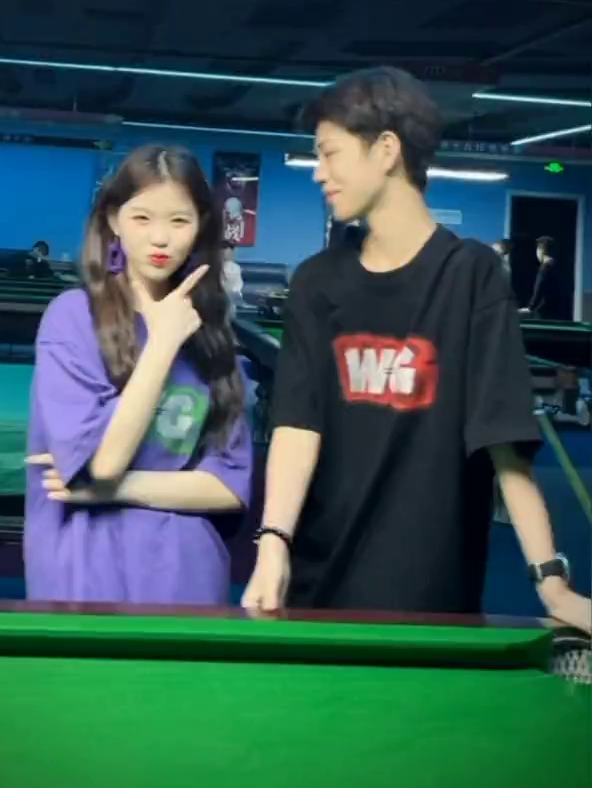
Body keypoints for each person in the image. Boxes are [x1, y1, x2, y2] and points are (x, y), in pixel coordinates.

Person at [242, 67, 590, 633]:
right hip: (317, 582)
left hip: (432, 589)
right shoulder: (316, 282)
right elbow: (298, 424)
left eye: (330, 154)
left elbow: (502, 439)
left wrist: (551, 582)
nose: (319, 172)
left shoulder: (471, 275)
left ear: (385, 150)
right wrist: (272, 544)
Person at [24, 145, 253, 605]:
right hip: (83, 575)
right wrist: (163, 343)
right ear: (114, 220)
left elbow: (227, 487)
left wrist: (108, 490)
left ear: (200, 226)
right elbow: (103, 463)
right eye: (142, 218)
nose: (160, 238)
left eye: (179, 220)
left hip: (188, 580)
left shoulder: (212, 337)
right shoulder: (72, 318)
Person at [520, 236, 559, 319]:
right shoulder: (558, 267)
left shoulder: (545, 268)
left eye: (537, 249)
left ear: (542, 250)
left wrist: (530, 307)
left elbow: (539, 288)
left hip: (545, 312)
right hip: (558, 312)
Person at [221, 240, 244, 315]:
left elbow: (236, 290)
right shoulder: (212, 266)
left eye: (232, 249)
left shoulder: (235, 267)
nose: (232, 252)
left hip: (232, 299)